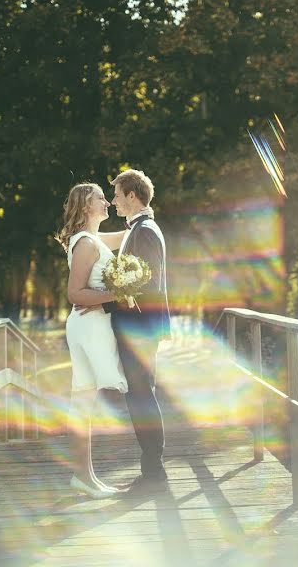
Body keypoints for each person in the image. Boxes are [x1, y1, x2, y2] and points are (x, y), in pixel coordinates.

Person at [97, 169, 171, 486]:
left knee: (141, 396)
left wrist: (111, 298)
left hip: (140, 328)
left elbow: (149, 284)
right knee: (140, 394)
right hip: (139, 326)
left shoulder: (145, 231)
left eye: (116, 195)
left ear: (131, 196)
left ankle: (154, 469)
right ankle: (152, 467)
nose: (113, 201)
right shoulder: (137, 229)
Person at [56, 183, 128, 499]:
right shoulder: (86, 243)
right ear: (86, 205)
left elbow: (127, 236)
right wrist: (121, 293)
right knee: (84, 402)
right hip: (88, 326)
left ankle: (86, 477)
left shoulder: (93, 239)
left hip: (90, 323)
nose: (107, 202)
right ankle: (84, 477)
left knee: (83, 403)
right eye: (101, 197)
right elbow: (74, 294)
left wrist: (143, 215)